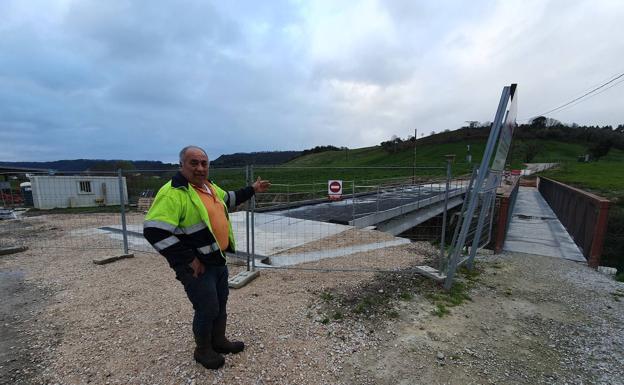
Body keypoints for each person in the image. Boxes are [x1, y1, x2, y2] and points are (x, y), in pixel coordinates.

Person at [143, 145, 270, 369]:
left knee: (220, 303)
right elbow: (154, 230)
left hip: (217, 259)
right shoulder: (173, 192)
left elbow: (229, 199)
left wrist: (253, 188)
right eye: (194, 163)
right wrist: (188, 259)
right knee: (207, 307)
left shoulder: (208, 187)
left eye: (204, 163)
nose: (200, 168)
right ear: (181, 164)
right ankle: (203, 351)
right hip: (196, 266)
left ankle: (218, 341)